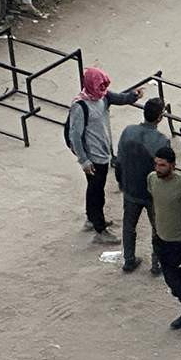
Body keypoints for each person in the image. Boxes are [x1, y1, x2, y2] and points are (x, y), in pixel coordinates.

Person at [69, 67, 143, 244]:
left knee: (93, 188)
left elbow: (120, 98)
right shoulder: (80, 106)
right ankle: (100, 229)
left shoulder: (103, 97)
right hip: (93, 157)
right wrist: (84, 160)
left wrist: (133, 96)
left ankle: (91, 218)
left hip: (103, 153)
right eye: (99, 85)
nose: (103, 89)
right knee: (97, 192)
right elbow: (75, 136)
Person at [148, 147, 181, 335]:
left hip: (180, 242)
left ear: (172, 165)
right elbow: (156, 205)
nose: (158, 168)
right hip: (161, 239)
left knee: (177, 281)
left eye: (162, 165)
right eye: (156, 164)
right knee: (171, 282)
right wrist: (155, 230)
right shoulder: (152, 179)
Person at [114, 98, 170, 274]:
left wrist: (121, 183)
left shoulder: (128, 131)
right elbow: (164, 172)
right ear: (159, 117)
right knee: (158, 228)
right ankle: (157, 263)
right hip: (152, 193)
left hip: (131, 188)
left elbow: (119, 161)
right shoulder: (161, 140)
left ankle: (129, 260)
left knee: (129, 226)